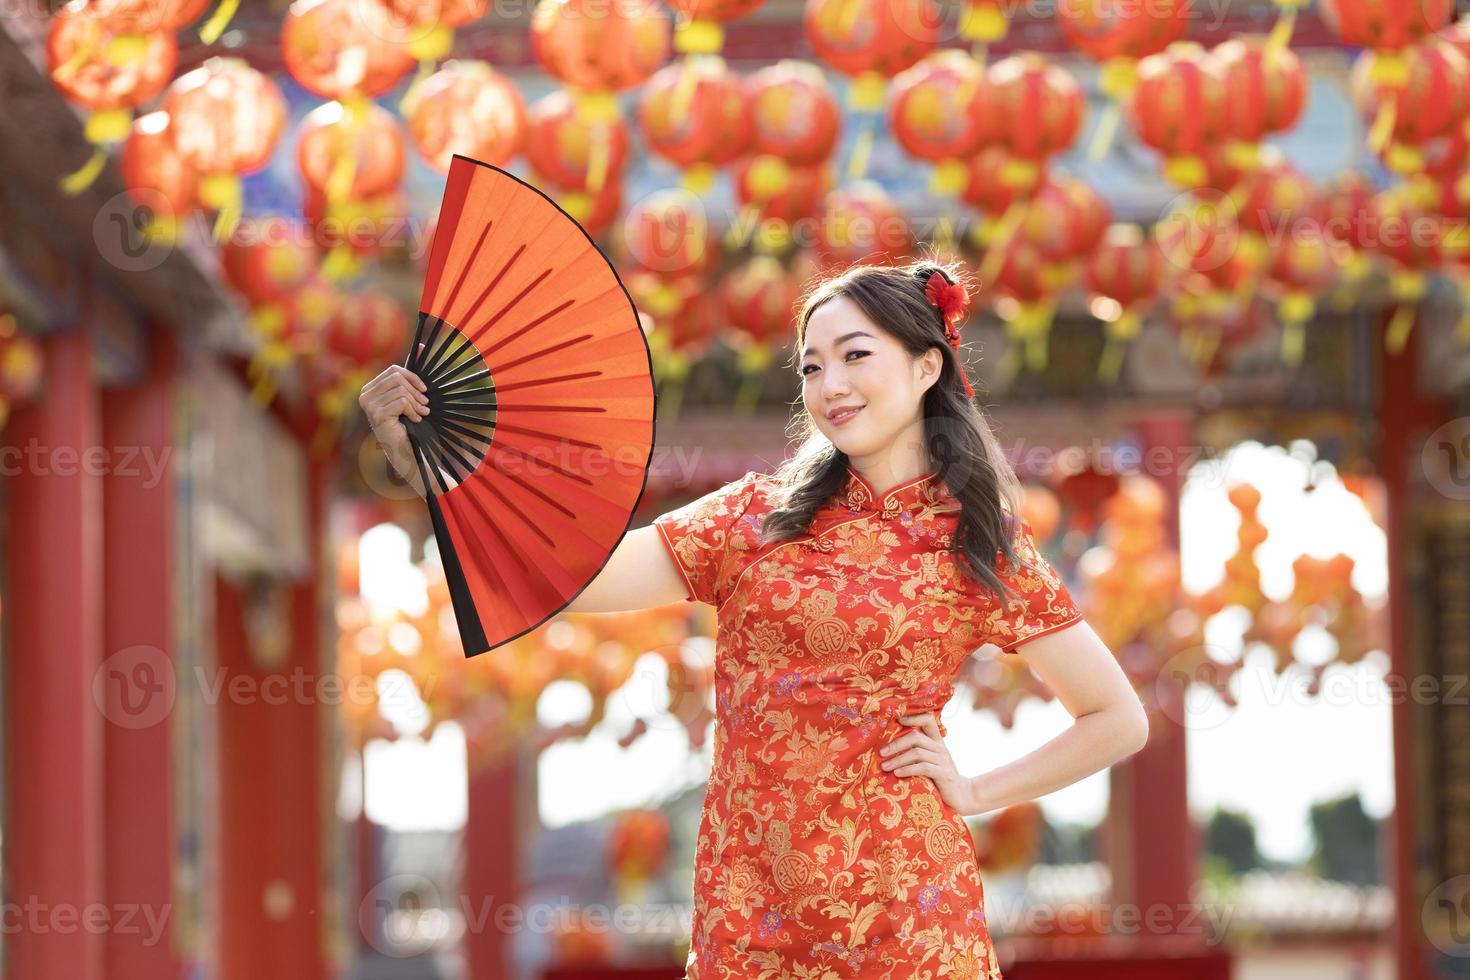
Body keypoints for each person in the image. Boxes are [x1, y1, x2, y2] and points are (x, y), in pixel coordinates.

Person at [359, 257, 1150, 979]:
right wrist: (432, 462)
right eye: (812, 365)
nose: (829, 382)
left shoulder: (978, 542)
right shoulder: (752, 518)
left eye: (855, 355)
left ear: (926, 367)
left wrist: (976, 790)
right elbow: (565, 577)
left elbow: (1115, 716)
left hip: (909, 916)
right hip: (751, 913)